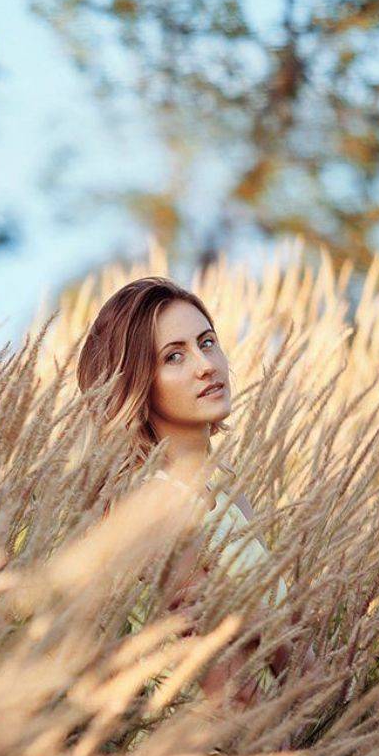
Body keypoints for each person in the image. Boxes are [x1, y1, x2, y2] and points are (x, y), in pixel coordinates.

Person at [75, 276, 310, 708]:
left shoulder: (226, 487)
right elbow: (231, 694)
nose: (205, 365)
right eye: (174, 356)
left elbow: (302, 661)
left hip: (290, 732)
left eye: (207, 342)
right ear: (136, 382)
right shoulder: (153, 508)